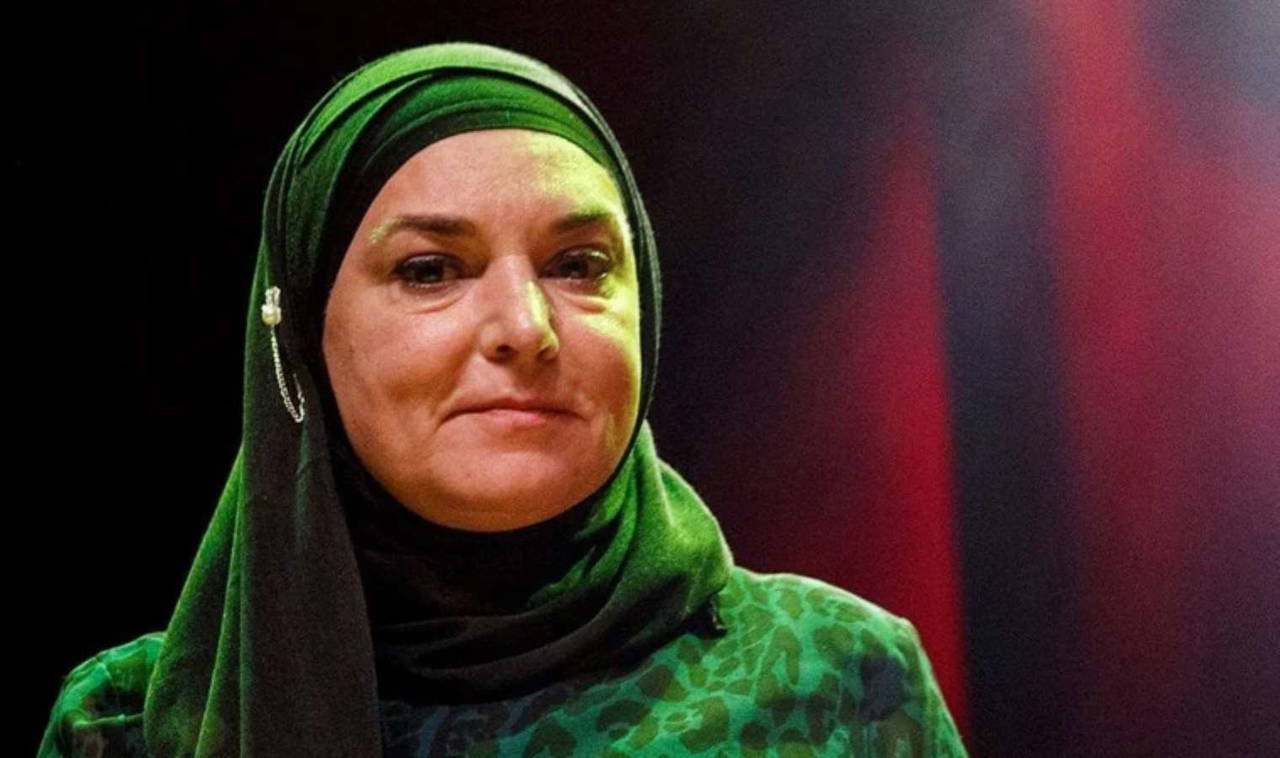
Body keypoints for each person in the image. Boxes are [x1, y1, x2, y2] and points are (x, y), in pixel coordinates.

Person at [38, 42, 967, 757]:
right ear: (302, 332)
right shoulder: (130, 728)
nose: (525, 327)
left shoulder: (840, 680)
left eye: (579, 265)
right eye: (431, 270)